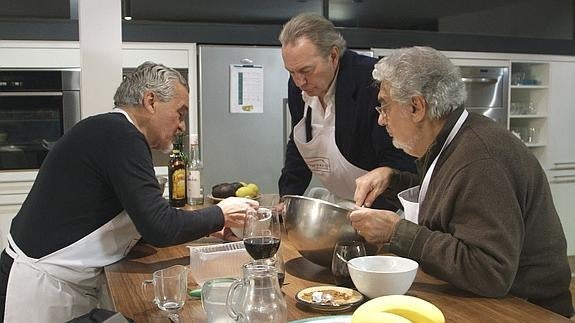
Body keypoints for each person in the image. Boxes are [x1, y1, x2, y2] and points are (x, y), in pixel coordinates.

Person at [0, 61, 258, 322]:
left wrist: (205, 226)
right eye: (180, 113)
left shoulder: (110, 130)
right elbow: (158, 226)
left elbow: (136, 216)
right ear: (150, 101)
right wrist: (220, 213)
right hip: (39, 287)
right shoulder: (122, 135)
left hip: (59, 282)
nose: (181, 125)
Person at [349, 46, 574, 318]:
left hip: (526, 310)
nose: (381, 118)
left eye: (384, 105)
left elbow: (489, 271)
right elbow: (453, 194)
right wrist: (393, 178)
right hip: (492, 299)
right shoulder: (457, 139)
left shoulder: (482, 159)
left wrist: (396, 232)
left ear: (416, 107)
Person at [278, 13, 415, 209]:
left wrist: (373, 217)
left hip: (386, 208)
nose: (299, 81)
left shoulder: (373, 83)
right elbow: (299, 144)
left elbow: (398, 160)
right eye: (291, 72)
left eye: (306, 70)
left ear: (333, 56)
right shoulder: (299, 86)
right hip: (342, 204)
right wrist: (288, 198)